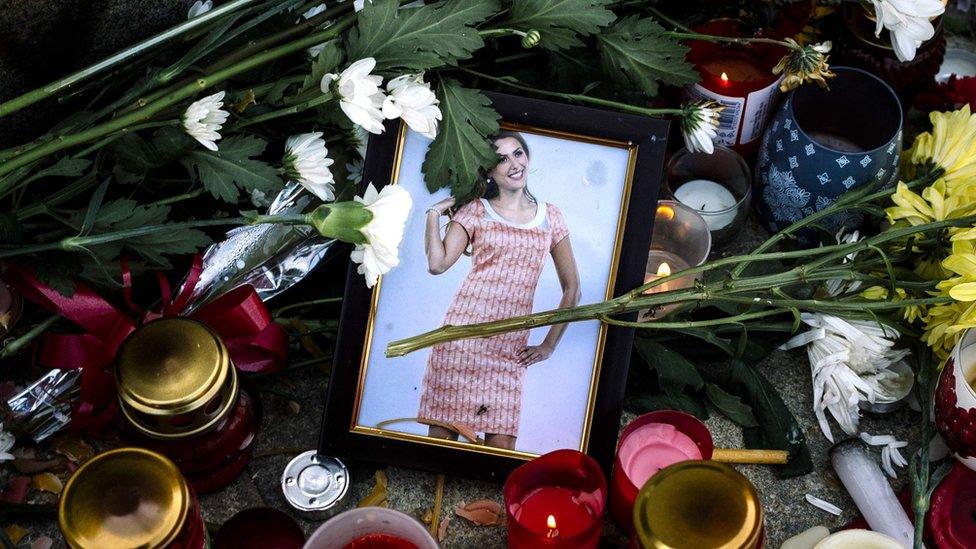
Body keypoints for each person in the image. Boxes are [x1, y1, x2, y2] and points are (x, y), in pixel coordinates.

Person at [417, 131, 581, 450]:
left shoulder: (551, 217)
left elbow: (572, 289)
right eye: (501, 159)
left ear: (528, 158)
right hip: (460, 342)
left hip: (508, 352)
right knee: (441, 451)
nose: (513, 164)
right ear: (489, 170)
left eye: (518, 154)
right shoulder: (476, 210)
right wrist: (433, 214)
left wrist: (549, 345)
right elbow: (437, 265)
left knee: (500, 451)